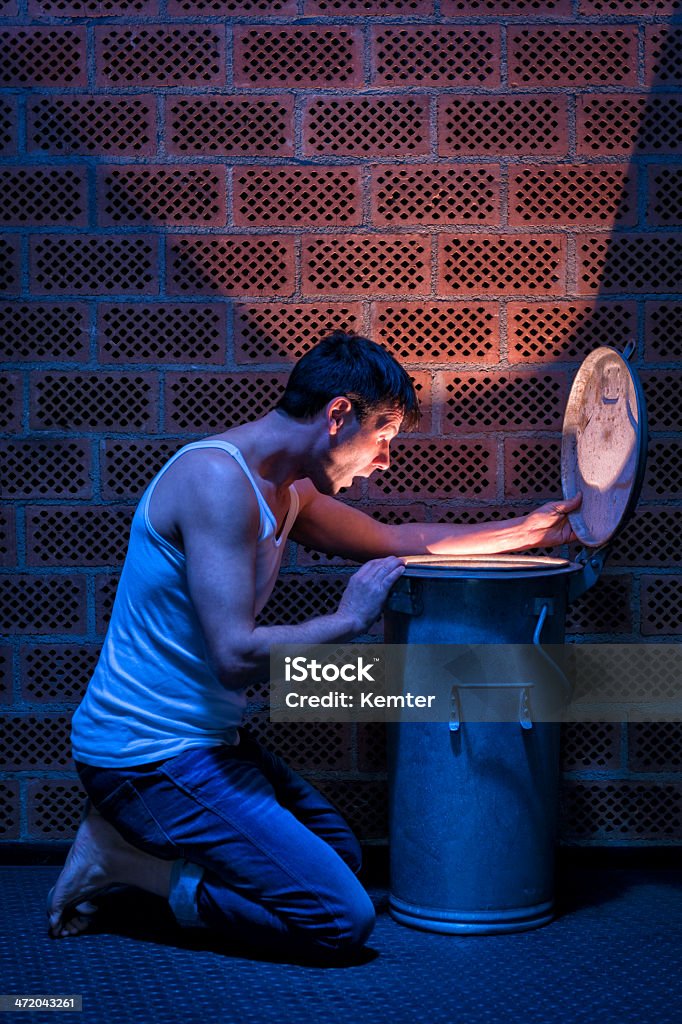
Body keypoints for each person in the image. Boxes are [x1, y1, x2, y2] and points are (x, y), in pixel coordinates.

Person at [47, 332, 580, 957]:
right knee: (339, 918)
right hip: (145, 755)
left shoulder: (289, 490)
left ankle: (144, 844)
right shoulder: (217, 481)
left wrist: (526, 532)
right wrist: (349, 618)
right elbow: (234, 654)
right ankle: (126, 863)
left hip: (208, 741)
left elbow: (392, 540)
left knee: (343, 858)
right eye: (382, 436)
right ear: (337, 416)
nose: (384, 460)